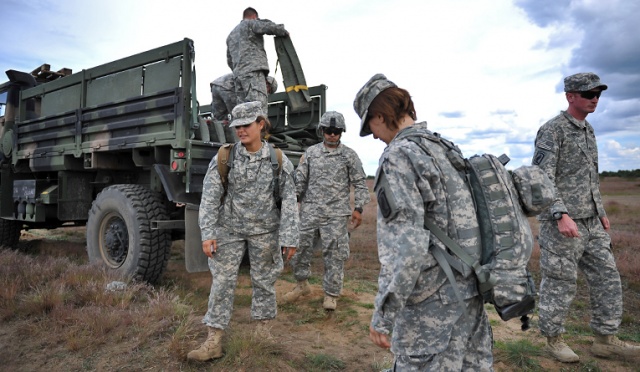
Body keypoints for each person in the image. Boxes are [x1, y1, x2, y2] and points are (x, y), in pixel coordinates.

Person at [353, 74, 493, 371]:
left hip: (432, 302)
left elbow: (407, 245)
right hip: (471, 288)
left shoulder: (399, 156)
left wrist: (384, 313)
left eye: (371, 127)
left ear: (381, 115)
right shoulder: (443, 147)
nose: (374, 135)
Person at [532, 72, 640, 363]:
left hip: (592, 222)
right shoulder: (552, 130)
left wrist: (601, 213)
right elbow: (542, 178)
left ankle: (606, 339)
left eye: (598, 94)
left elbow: (590, 178)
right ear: (570, 96)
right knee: (560, 282)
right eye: (588, 94)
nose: (595, 99)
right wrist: (560, 214)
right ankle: (553, 341)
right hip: (562, 225)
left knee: (607, 277)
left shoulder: (588, 130)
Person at [188, 101, 299, 362]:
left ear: (261, 124)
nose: (240, 131)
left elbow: (290, 201)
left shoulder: (278, 160)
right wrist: (208, 234)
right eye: (236, 126)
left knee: (264, 282)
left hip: (265, 232)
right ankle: (213, 339)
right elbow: (210, 198)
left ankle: (262, 333)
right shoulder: (225, 157)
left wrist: (290, 238)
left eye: (246, 125)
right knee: (222, 283)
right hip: (230, 230)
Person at [283, 111, 371, 310]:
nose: (332, 135)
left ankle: (331, 294)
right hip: (309, 212)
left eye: (336, 131)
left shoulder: (349, 155)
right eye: (329, 131)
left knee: (335, 255)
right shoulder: (311, 153)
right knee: (300, 250)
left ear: (342, 132)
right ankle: (301, 285)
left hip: (336, 214)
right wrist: (290, 202)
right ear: (322, 131)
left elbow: (359, 182)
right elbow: (300, 180)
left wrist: (358, 208)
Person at [226, 7, 288, 115]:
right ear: (254, 17)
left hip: (238, 78)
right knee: (259, 110)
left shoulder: (231, 35)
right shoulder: (251, 24)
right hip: (253, 74)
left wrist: (239, 70)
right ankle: (260, 132)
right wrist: (283, 31)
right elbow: (269, 27)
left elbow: (229, 60)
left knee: (242, 113)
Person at [210, 73, 278, 143]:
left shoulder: (253, 77)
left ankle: (217, 136)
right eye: (269, 90)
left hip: (216, 85)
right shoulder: (258, 84)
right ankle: (236, 140)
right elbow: (256, 104)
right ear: (267, 84)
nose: (266, 92)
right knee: (237, 115)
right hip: (228, 88)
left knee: (218, 117)